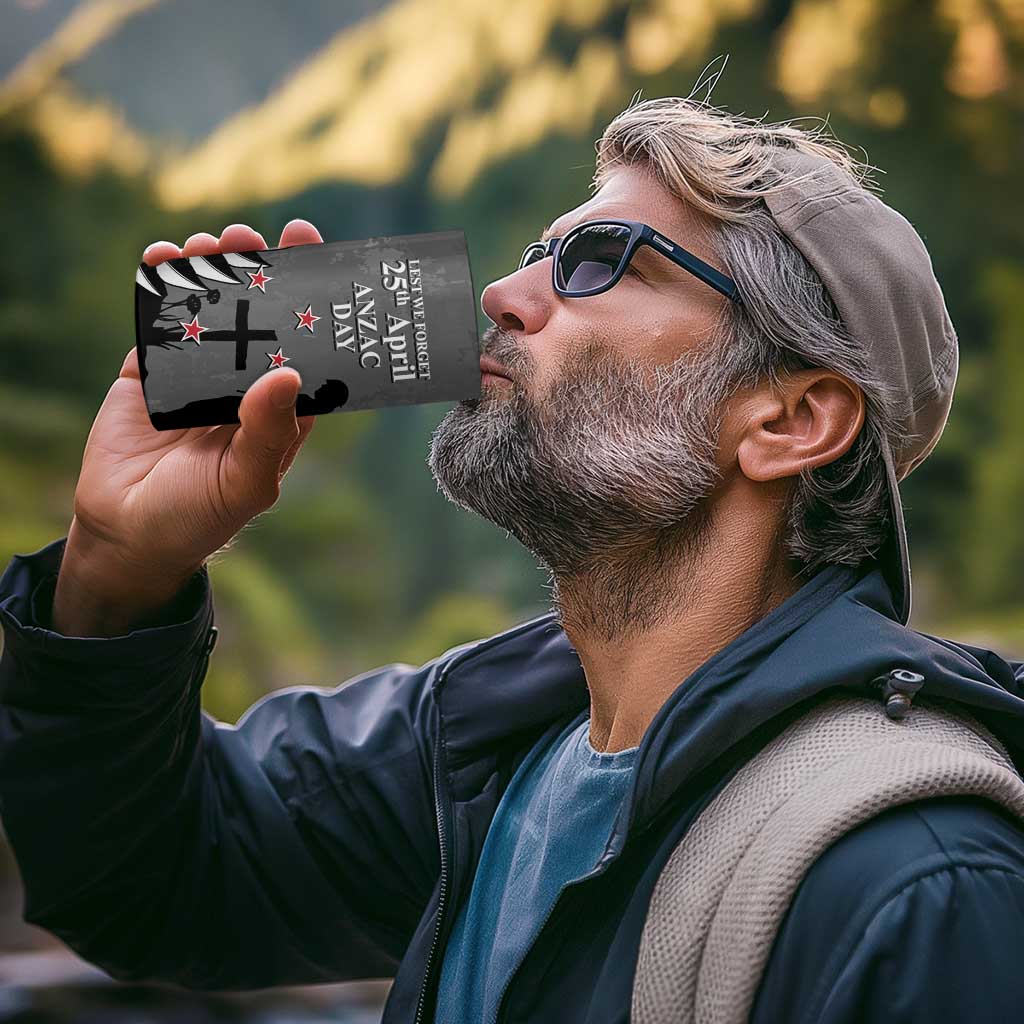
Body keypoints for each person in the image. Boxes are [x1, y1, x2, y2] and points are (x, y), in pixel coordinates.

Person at [2, 95, 1024, 1024]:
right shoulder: (480, 749)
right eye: (540, 252)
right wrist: (116, 570)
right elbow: (149, 879)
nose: (501, 291)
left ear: (791, 419)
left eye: (599, 261)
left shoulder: (918, 884)